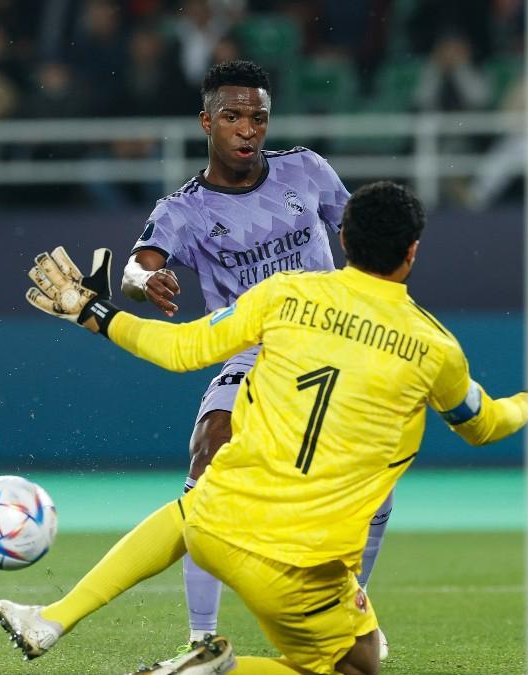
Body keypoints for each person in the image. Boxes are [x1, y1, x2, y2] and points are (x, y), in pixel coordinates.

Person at [0, 181, 528, 674]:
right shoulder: (434, 349)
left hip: (215, 525)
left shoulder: (286, 294)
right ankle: (216, 673)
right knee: (355, 668)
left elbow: (182, 349)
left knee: (191, 509)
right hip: (297, 565)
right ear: (413, 251)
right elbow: (484, 425)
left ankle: (55, 617)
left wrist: (97, 312)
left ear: (342, 237)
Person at [118, 58, 394, 650]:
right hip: (250, 354)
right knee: (208, 457)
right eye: (234, 117)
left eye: (259, 118)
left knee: (371, 491)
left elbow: (362, 238)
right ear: (206, 122)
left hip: (331, 348)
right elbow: (135, 271)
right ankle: (201, 642)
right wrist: (149, 284)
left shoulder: (307, 171)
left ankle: (346, 618)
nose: (248, 129)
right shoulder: (183, 210)